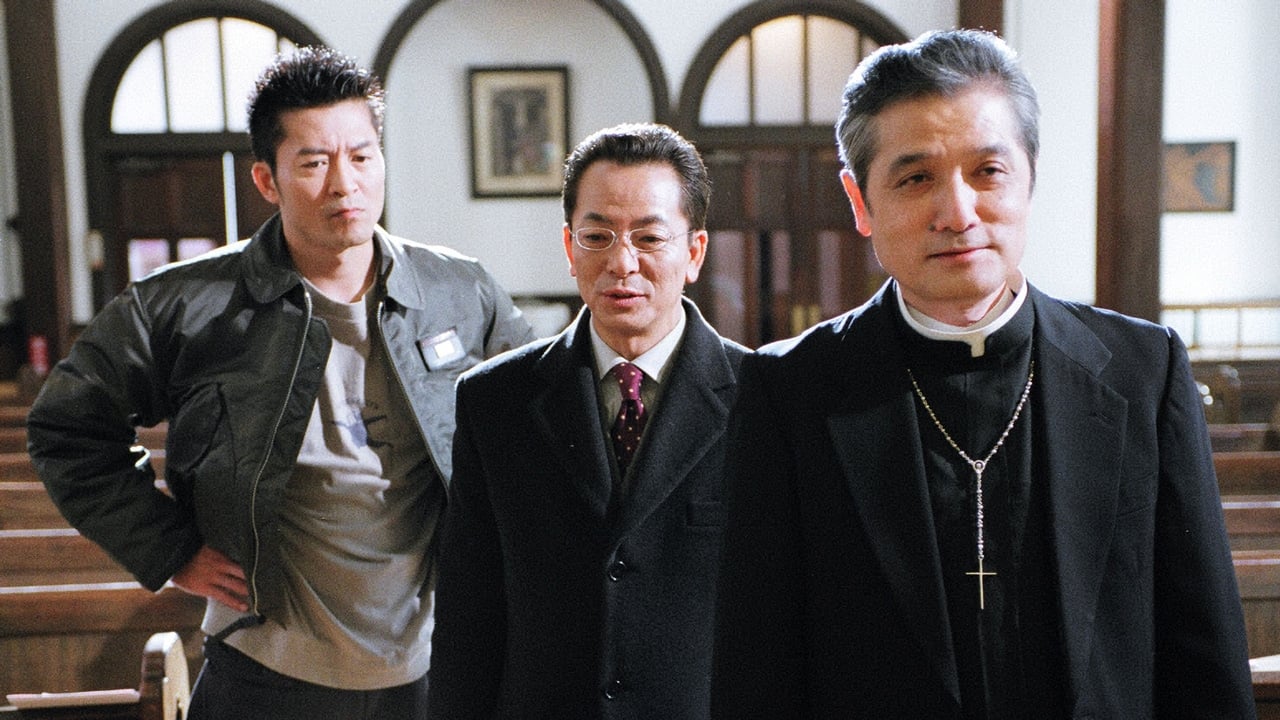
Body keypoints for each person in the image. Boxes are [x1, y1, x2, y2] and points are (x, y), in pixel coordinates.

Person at [711, 29, 1255, 719]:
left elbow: (1204, 655)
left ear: (1030, 178)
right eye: (916, 178)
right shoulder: (788, 391)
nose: (958, 213)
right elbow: (756, 668)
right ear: (860, 201)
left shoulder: (1143, 372)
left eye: (987, 171)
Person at [26, 46, 532, 719]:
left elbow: (538, 430)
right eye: (314, 163)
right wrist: (171, 548)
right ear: (267, 179)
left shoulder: (460, 292)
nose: (345, 185)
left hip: (437, 662)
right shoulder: (185, 304)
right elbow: (65, 426)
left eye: (362, 156)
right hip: (267, 668)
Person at [427, 123, 747, 719]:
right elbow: (469, 620)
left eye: (649, 238)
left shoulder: (761, 397)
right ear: (570, 248)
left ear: (695, 252)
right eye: (598, 237)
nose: (622, 263)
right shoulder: (495, 401)